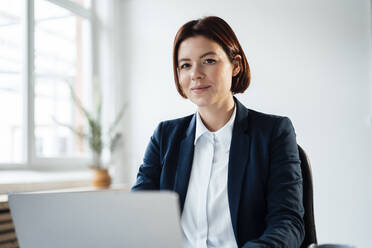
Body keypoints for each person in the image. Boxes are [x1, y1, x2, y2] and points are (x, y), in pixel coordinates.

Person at [132, 16, 305, 248]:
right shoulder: (165, 136)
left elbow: (288, 221)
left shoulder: (273, 133)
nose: (196, 74)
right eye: (185, 65)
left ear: (236, 65)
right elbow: (138, 216)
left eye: (209, 60)